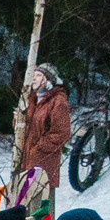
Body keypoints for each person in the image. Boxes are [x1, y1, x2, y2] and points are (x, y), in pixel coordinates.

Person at [21, 64, 71, 205]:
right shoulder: (31, 99)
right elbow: (25, 128)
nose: (34, 79)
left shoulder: (58, 101)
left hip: (43, 164)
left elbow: (61, 134)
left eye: (38, 75)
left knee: (40, 211)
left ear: (48, 80)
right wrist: (18, 120)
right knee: (24, 210)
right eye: (33, 75)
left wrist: (37, 150)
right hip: (25, 163)